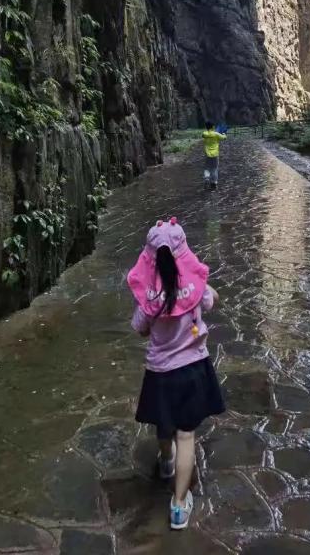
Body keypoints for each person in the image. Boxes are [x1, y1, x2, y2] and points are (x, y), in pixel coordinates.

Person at [128, 217, 225, 530]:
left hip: (161, 373)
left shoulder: (149, 301)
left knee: (163, 423)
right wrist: (200, 288)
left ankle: (166, 463)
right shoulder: (196, 291)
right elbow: (213, 299)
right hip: (194, 369)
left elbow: (140, 330)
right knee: (187, 435)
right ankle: (179, 506)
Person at [202, 121, 226, 189]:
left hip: (207, 154)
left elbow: (203, 135)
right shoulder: (216, 134)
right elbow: (224, 137)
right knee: (215, 169)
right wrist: (223, 133)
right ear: (213, 127)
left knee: (207, 168)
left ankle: (207, 178)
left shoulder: (204, 133)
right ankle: (214, 183)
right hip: (215, 154)